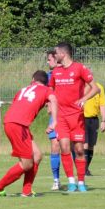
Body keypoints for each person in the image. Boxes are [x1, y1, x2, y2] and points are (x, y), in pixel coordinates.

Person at [0, 70, 58, 197]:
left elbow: (20, 104)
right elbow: (53, 100)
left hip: (14, 122)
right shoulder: (47, 90)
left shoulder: (23, 90)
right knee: (27, 164)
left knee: (37, 155)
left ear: (33, 80)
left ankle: (26, 191)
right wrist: (54, 121)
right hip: (18, 125)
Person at [48, 42, 100, 192]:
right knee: (64, 147)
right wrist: (51, 104)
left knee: (78, 149)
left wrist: (84, 99)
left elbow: (95, 88)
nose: (54, 55)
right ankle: (71, 182)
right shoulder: (56, 72)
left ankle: (81, 182)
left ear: (63, 54)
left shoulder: (79, 68)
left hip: (76, 116)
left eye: (56, 53)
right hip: (61, 116)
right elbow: (50, 88)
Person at [83, 81, 105, 176]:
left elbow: (102, 105)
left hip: (94, 119)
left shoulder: (99, 87)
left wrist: (103, 121)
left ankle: (86, 168)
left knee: (91, 145)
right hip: (82, 118)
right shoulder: (80, 86)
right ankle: (83, 169)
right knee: (85, 143)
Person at [46, 49, 62, 190]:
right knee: (55, 145)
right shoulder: (48, 76)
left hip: (69, 114)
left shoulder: (69, 72)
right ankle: (56, 180)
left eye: (49, 59)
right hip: (55, 116)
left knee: (74, 147)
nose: (48, 61)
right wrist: (48, 104)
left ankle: (74, 178)